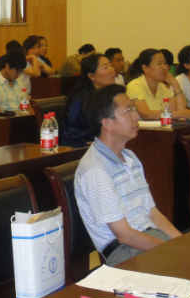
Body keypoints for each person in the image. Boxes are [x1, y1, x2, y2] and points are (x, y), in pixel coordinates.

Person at [75, 85, 181, 266]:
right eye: (128, 110)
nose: (136, 115)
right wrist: (172, 250)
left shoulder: (130, 157)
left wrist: (184, 244)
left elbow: (154, 214)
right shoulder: (96, 170)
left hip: (150, 239)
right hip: (125, 252)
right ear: (107, 123)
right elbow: (124, 235)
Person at [60, 54, 117, 148]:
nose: (112, 70)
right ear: (91, 76)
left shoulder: (108, 95)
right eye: (105, 67)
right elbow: (75, 134)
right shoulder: (81, 100)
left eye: (110, 65)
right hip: (78, 147)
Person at [126, 49, 190, 120]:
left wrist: (175, 84)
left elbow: (180, 112)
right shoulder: (135, 85)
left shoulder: (162, 87)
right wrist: (183, 114)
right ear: (145, 68)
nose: (164, 67)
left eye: (165, 63)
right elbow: (146, 114)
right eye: (159, 64)